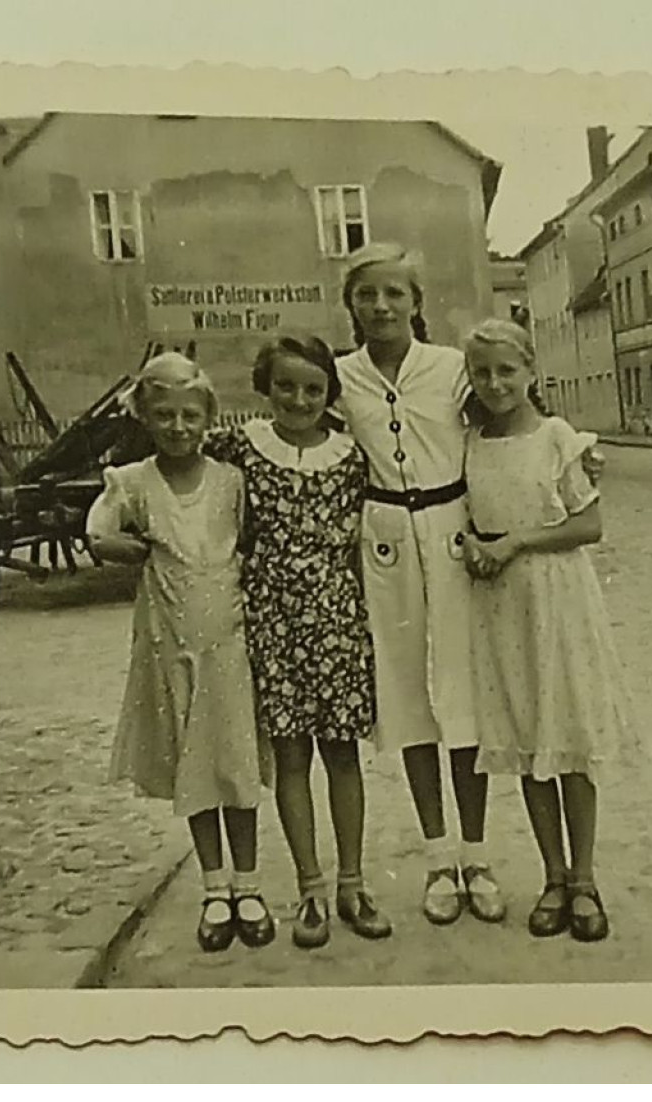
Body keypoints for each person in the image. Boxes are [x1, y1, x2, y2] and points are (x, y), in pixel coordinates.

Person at [329, 242, 509, 925]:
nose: (380, 306)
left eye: (393, 294)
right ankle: (438, 859)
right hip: (383, 538)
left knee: (462, 691)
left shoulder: (451, 369)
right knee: (405, 694)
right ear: (351, 305)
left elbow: (510, 410)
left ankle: (477, 854)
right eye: (366, 295)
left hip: (452, 526)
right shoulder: (340, 376)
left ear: (415, 303)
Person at [202, 334, 391, 950]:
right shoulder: (241, 448)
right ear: (265, 386)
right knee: (290, 758)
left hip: (338, 620)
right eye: (285, 386)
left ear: (329, 394)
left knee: (342, 756)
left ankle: (353, 884)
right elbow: (171, 455)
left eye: (313, 388)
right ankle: (310, 888)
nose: (298, 399)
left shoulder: (350, 455)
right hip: (271, 622)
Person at [87, 352, 275, 954]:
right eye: (163, 415)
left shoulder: (230, 482)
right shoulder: (134, 481)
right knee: (193, 769)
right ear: (144, 417)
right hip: (170, 645)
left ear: (208, 418)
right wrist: (130, 549)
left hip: (229, 645)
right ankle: (214, 886)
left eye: (190, 416)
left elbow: (249, 543)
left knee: (235, 765)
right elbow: (98, 533)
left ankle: (249, 884)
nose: (177, 427)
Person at [459, 318, 630, 943]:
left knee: (571, 738)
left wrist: (517, 542)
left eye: (507, 370)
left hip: (558, 600)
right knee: (531, 742)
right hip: (503, 607)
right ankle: (551, 875)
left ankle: (584, 878)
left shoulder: (559, 438)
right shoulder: (470, 441)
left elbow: (589, 526)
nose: (496, 383)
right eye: (482, 373)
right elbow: (468, 516)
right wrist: (478, 548)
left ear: (531, 369)